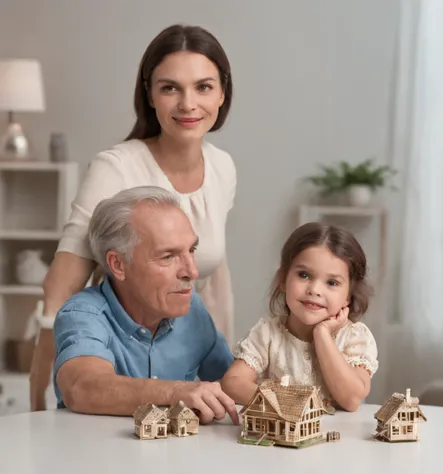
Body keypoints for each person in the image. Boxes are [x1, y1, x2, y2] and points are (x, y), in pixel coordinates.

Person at [30, 23, 236, 411]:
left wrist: (221, 359)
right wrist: (43, 391)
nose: (188, 104)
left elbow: (214, 274)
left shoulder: (223, 168)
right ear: (150, 95)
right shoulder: (115, 169)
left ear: (222, 92)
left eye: (204, 87)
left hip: (181, 334)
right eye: (170, 87)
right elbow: (61, 291)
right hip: (117, 352)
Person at [54, 186, 238, 424]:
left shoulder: (192, 308)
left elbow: (231, 382)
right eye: (168, 256)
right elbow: (83, 387)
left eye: (191, 250)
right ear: (118, 265)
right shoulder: (83, 314)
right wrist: (174, 392)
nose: (192, 271)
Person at [221, 222, 379, 412]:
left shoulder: (355, 338)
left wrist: (322, 336)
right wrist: (283, 404)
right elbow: (232, 382)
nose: (314, 290)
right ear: (283, 280)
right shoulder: (267, 334)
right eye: (304, 275)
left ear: (348, 296)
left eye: (331, 282)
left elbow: (351, 400)